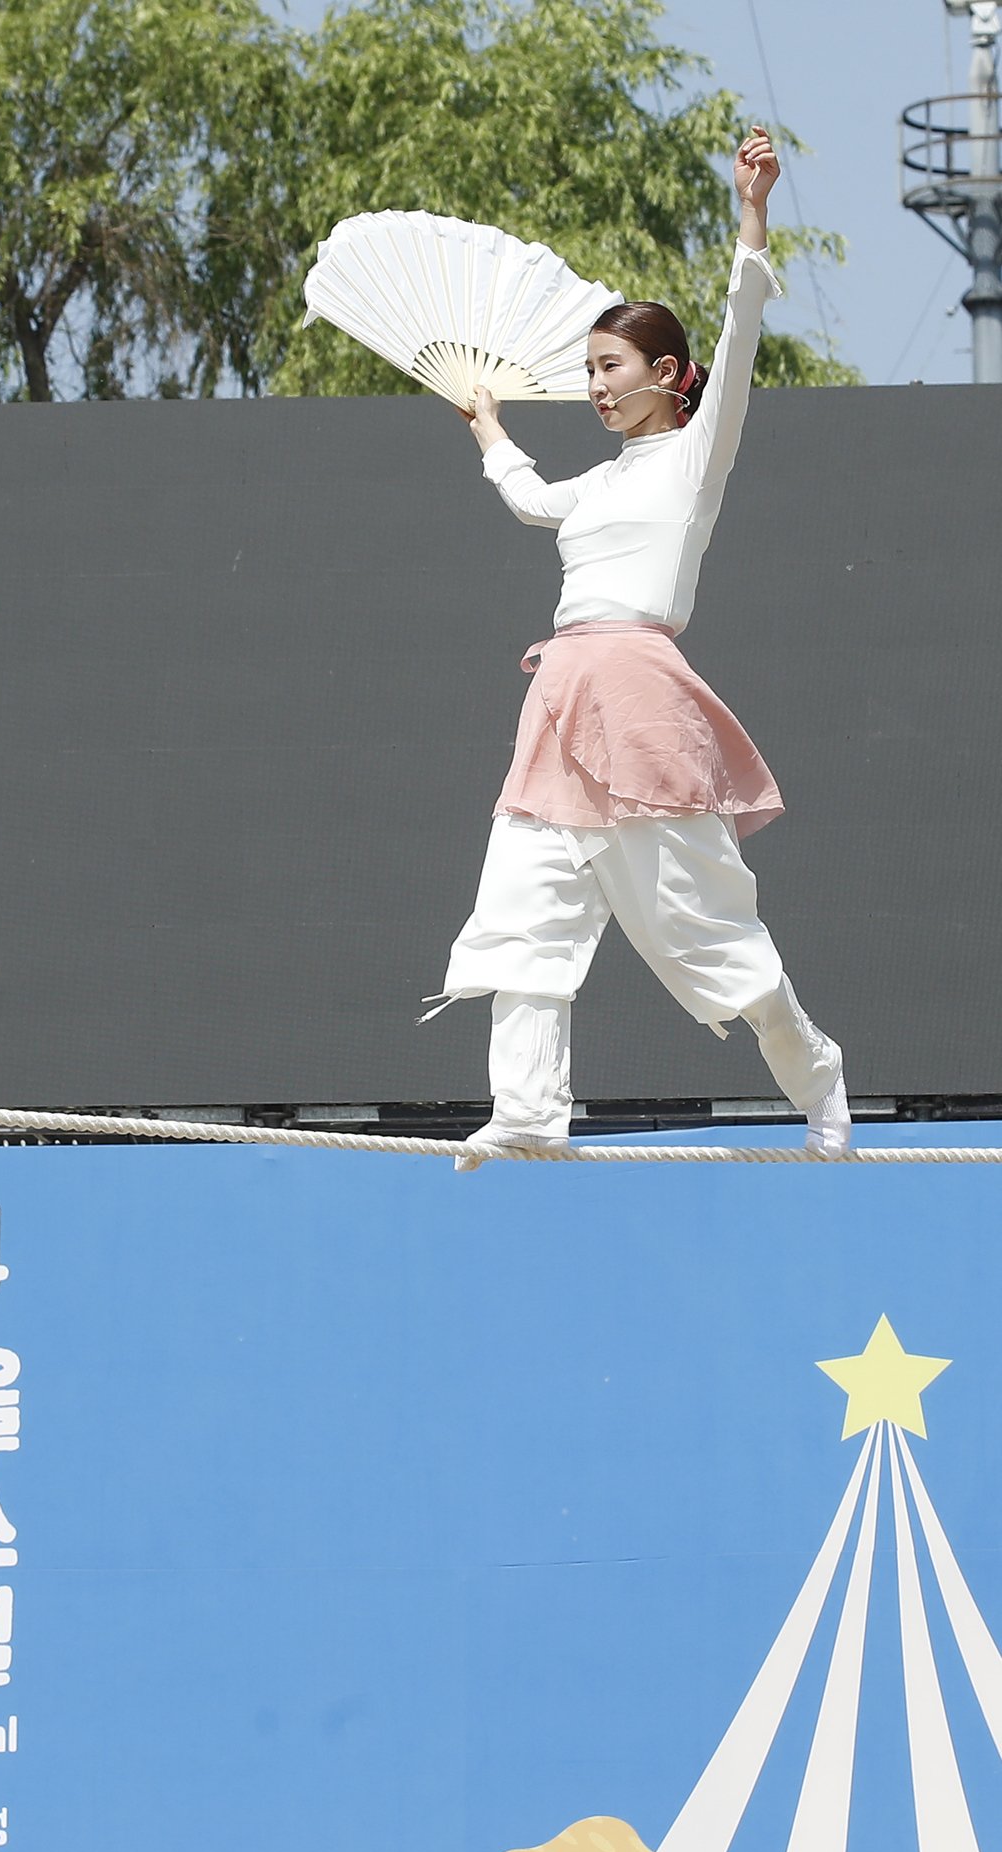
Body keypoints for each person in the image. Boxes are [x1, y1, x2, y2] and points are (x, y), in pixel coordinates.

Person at [432, 127, 849, 1170]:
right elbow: (531, 500)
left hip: (641, 693)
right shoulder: (600, 483)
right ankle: (526, 1108)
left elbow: (741, 327)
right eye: (585, 371)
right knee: (524, 900)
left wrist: (751, 217)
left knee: (703, 930)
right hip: (562, 699)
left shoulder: (692, 459)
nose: (593, 386)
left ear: (665, 373)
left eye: (609, 368)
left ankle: (817, 1078)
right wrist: (484, 423)